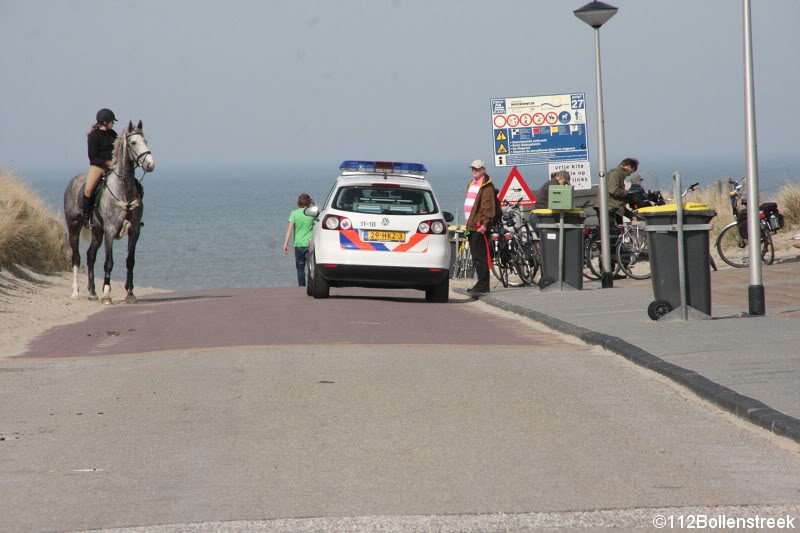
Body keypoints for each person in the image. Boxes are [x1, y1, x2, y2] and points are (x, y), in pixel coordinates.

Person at [464, 160, 497, 295]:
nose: (474, 171)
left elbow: (487, 207)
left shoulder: (486, 186)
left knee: (480, 257)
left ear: (483, 170)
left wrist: (484, 224)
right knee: (476, 256)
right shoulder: (472, 183)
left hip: (478, 227)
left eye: (477, 169)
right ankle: (481, 283)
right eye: (473, 169)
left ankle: (483, 284)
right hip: (472, 226)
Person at [83, 108, 118, 227]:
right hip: (98, 166)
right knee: (88, 189)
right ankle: (87, 218)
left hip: (114, 166)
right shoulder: (94, 136)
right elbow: (92, 157)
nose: (113, 124)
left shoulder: (113, 134)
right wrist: (107, 162)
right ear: (105, 122)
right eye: (111, 122)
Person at [283, 193, 315, 287]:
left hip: (299, 245)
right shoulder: (312, 213)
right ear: (309, 202)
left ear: (298, 203)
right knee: (311, 267)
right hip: (310, 244)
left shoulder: (294, 213)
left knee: (300, 269)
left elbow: (289, 230)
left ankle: (301, 287)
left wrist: (285, 244)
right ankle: (311, 286)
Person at [606, 157, 639, 224]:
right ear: (628, 167)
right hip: (609, 210)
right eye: (631, 171)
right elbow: (614, 190)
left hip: (614, 209)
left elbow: (619, 204)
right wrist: (627, 193)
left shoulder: (619, 176)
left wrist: (632, 216)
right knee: (613, 232)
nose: (630, 174)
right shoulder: (615, 173)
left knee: (619, 230)